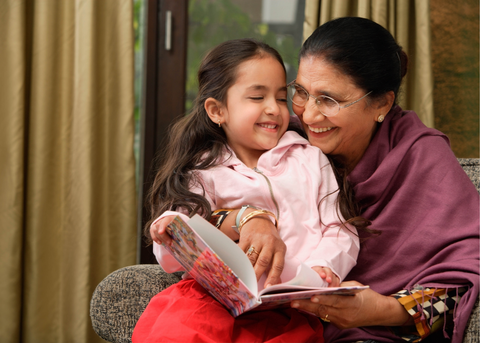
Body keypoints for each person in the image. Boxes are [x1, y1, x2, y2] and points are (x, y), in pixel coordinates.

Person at [216, 17, 479, 343]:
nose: (308, 115)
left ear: (381, 103)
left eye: (329, 100)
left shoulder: (421, 156)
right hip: (270, 321)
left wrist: (383, 310)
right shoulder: (284, 138)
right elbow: (204, 201)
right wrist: (248, 218)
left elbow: (465, 270)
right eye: (300, 92)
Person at [132, 38, 364, 343]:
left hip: (289, 308)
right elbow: (174, 253)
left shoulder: (310, 159)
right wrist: (170, 229)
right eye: (257, 97)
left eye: (281, 98)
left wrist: (324, 267)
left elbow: (339, 228)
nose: (274, 109)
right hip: (211, 299)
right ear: (217, 110)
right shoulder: (204, 169)